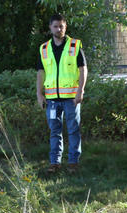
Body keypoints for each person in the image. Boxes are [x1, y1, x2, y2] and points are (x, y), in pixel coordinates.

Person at [36, 13, 87, 173]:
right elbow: (40, 73)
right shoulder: (44, 49)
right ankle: (55, 163)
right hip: (51, 99)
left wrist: (81, 91)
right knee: (54, 131)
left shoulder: (74, 46)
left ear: (65, 27)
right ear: (50, 27)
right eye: (56, 26)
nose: (59, 29)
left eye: (61, 26)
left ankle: (73, 162)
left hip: (71, 98)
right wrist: (39, 93)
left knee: (73, 130)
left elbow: (83, 69)